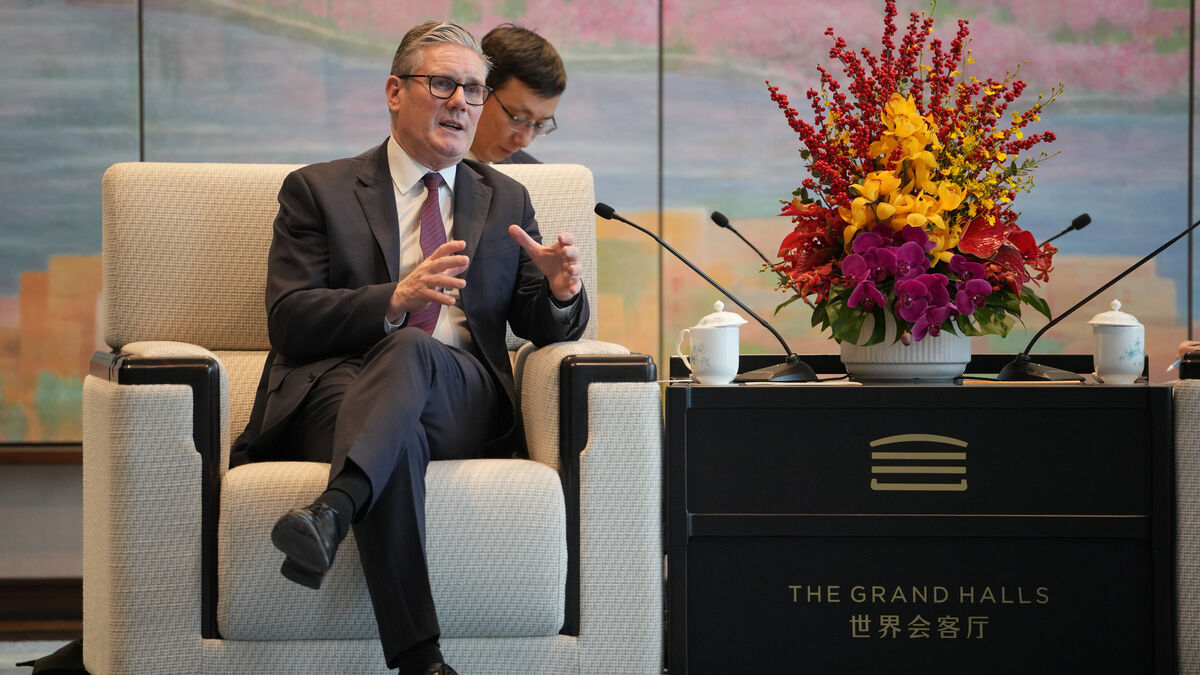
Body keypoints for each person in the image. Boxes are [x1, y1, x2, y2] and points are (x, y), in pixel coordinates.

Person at [229, 21, 589, 675]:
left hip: (460, 397)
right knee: (393, 428)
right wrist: (394, 300)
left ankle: (334, 509)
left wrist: (562, 293)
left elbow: (544, 324)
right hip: (334, 389)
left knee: (409, 353)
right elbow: (289, 319)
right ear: (395, 92)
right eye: (443, 84)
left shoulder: (506, 197)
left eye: (473, 90)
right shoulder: (318, 190)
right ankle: (422, 660)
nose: (461, 102)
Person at [467, 24, 565, 164]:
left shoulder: (532, 173)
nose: (525, 142)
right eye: (519, 119)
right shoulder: (434, 165)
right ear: (478, 91)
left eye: (539, 125)